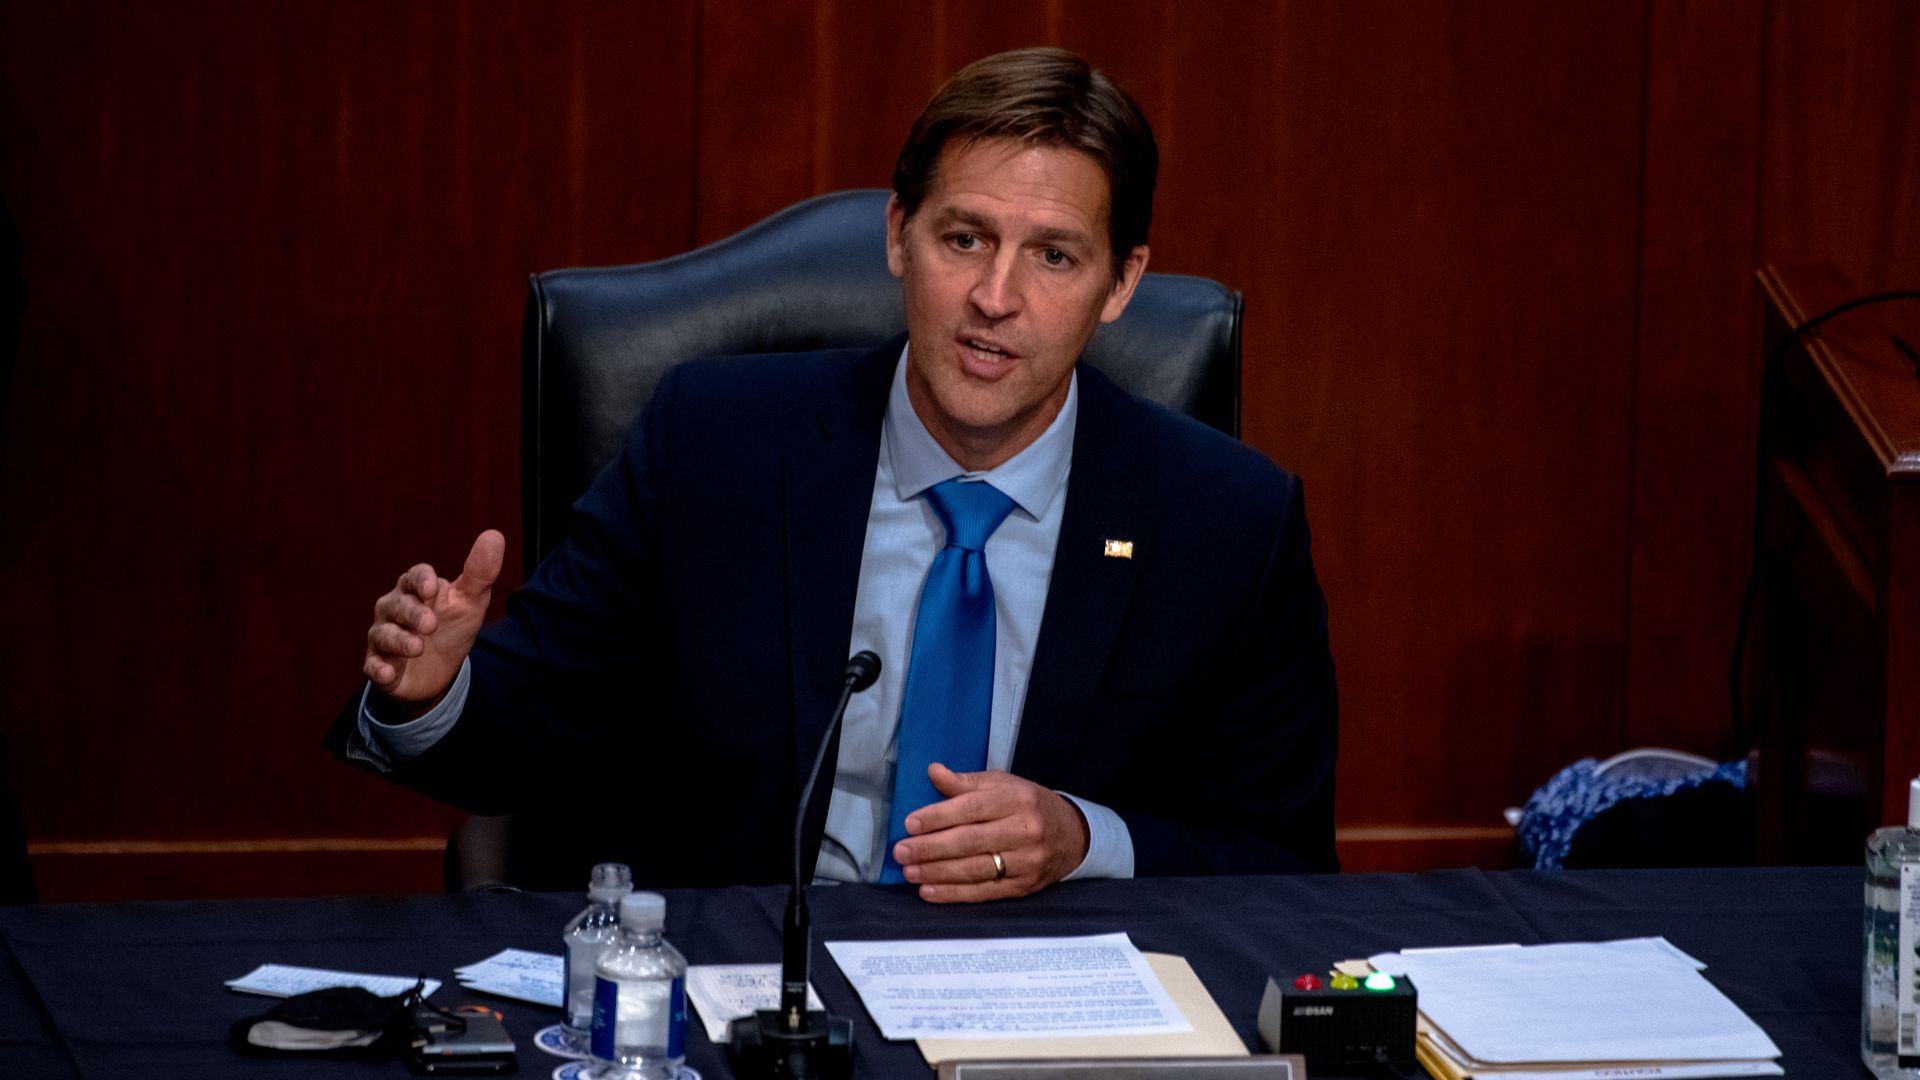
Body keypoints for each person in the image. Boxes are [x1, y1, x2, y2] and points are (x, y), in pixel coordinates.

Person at [327, 47, 1337, 902]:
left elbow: (1284, 869)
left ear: (1121, 284)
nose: (996, 296)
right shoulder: (713, 448)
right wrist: (432, 693)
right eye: (964, 238)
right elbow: (527, 729)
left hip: (1053, 1010)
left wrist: (1085, 840)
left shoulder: (1228, 523)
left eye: (1055, 258)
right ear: (899, 238)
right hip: (752, 991)